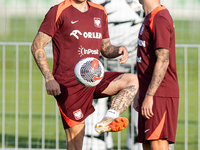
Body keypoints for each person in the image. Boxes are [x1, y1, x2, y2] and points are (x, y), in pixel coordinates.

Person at [31, 0, 139, 150]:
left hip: (94, 77)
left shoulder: (100, 11)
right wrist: (49, 78)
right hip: (69, 85)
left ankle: (109, 118)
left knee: (132, 80)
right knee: (76, 142)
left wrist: (118, 50)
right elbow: (37, 45)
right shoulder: (59, 11)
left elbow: (106, 48)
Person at [136, 0, 179, 149]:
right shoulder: (149, 17)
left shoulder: (160, 18)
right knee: (147, 144)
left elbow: (163, 59)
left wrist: (149, 95)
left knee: (157, 143)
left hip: (159, 95)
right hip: (148, 93)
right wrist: (140, 93)